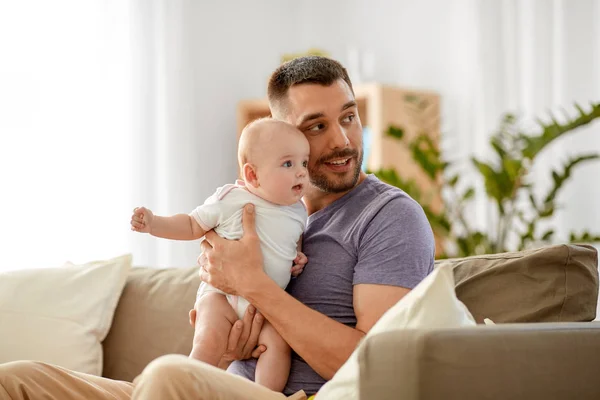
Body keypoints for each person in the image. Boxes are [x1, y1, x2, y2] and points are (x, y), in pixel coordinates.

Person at [0, 56, 435, 400]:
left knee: (168, 377)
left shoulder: (390, 217)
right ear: (285, 135)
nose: (342, 139)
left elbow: (378, 367)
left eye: (349, 116)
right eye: (317, 127)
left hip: (292, 394)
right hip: (210, 387)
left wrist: (253, 284)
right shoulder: (265, 211)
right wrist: (228, 347)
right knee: (17, 381)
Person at [129, 118, 310, 392]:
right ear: (252, 175)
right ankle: (188, 389)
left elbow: (291, 245)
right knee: (209, 342)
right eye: (288, 164)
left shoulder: (298, 211)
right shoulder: (231, 199)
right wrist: (155, 224)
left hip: (266, 307)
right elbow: (191, 225)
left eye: (304, 163)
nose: (301, 173)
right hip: (221, 297)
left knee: (279, 344)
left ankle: (264, 395)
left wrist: (297, 259)